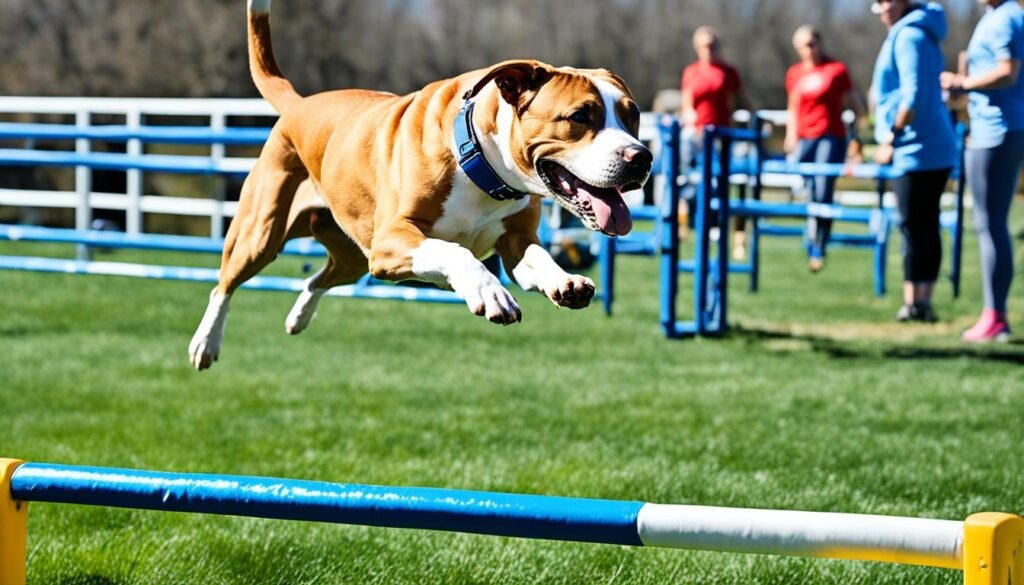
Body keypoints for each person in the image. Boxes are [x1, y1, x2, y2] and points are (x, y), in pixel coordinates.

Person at [940, 0, 1024, 343]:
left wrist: (965, 83)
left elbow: (1008, 71)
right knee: (989, 224)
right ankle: (994, 313)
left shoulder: (1007, 18)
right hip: (994, 129)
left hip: (998, 131)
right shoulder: (998, 17)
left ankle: (995, 316)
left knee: (990, 225)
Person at [870, 0, 958, 322]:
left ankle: (919, 301)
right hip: (925, 147)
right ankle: (917, 301)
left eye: (887, 1)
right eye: (877, 3)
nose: (882, 9)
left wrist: (892, 137)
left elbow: (915, 94)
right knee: (918, 226)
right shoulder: (914, 33)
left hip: (918, 148)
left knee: (916, 225)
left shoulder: (909, 36)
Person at [785, 25, 869, 272]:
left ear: (820, 43)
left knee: (822, 189)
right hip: (804, 137)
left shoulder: (836, 70)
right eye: (804, 46)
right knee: (800, 181)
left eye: (812, 43)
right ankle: (812, 232)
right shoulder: (795, 73)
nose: (809, 50)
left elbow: (854, 102)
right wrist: (791, 135)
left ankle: (819, 245)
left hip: (830, 136)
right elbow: (793, 105)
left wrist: (860, 133)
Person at [680, 26, 753, 259]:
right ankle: (687, 224)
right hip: (698, 136)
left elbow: (742, 100)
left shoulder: (728, 72)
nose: (708, 49)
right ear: (697, 48)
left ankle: (728, 234)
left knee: (723, 185)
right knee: (688, 181)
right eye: (704, 46)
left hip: (722, 136)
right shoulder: (691, 72)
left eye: (712, 45)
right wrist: (689, 118)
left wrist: (757, 119)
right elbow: (687, 104)